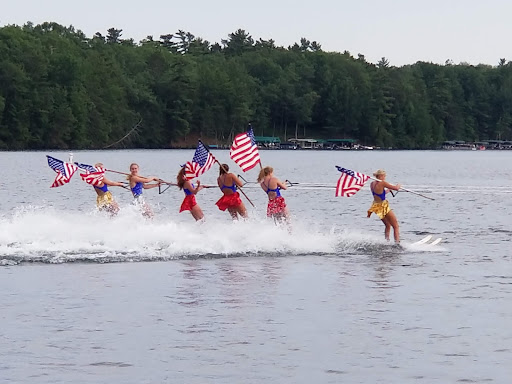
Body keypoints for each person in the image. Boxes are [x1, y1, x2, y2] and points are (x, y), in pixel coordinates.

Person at [367, 169, 401, 243]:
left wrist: (387, 191)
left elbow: (379, 193)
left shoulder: (372, 183)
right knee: (395, 226)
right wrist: (399, 185)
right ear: (380, 176)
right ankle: (397, 243)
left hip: (376, 206)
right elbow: (396, 188)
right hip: (383, 206)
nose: (385, 177)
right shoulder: (382, 183)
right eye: (384, 176)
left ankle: (387, 241)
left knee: (388, 225)